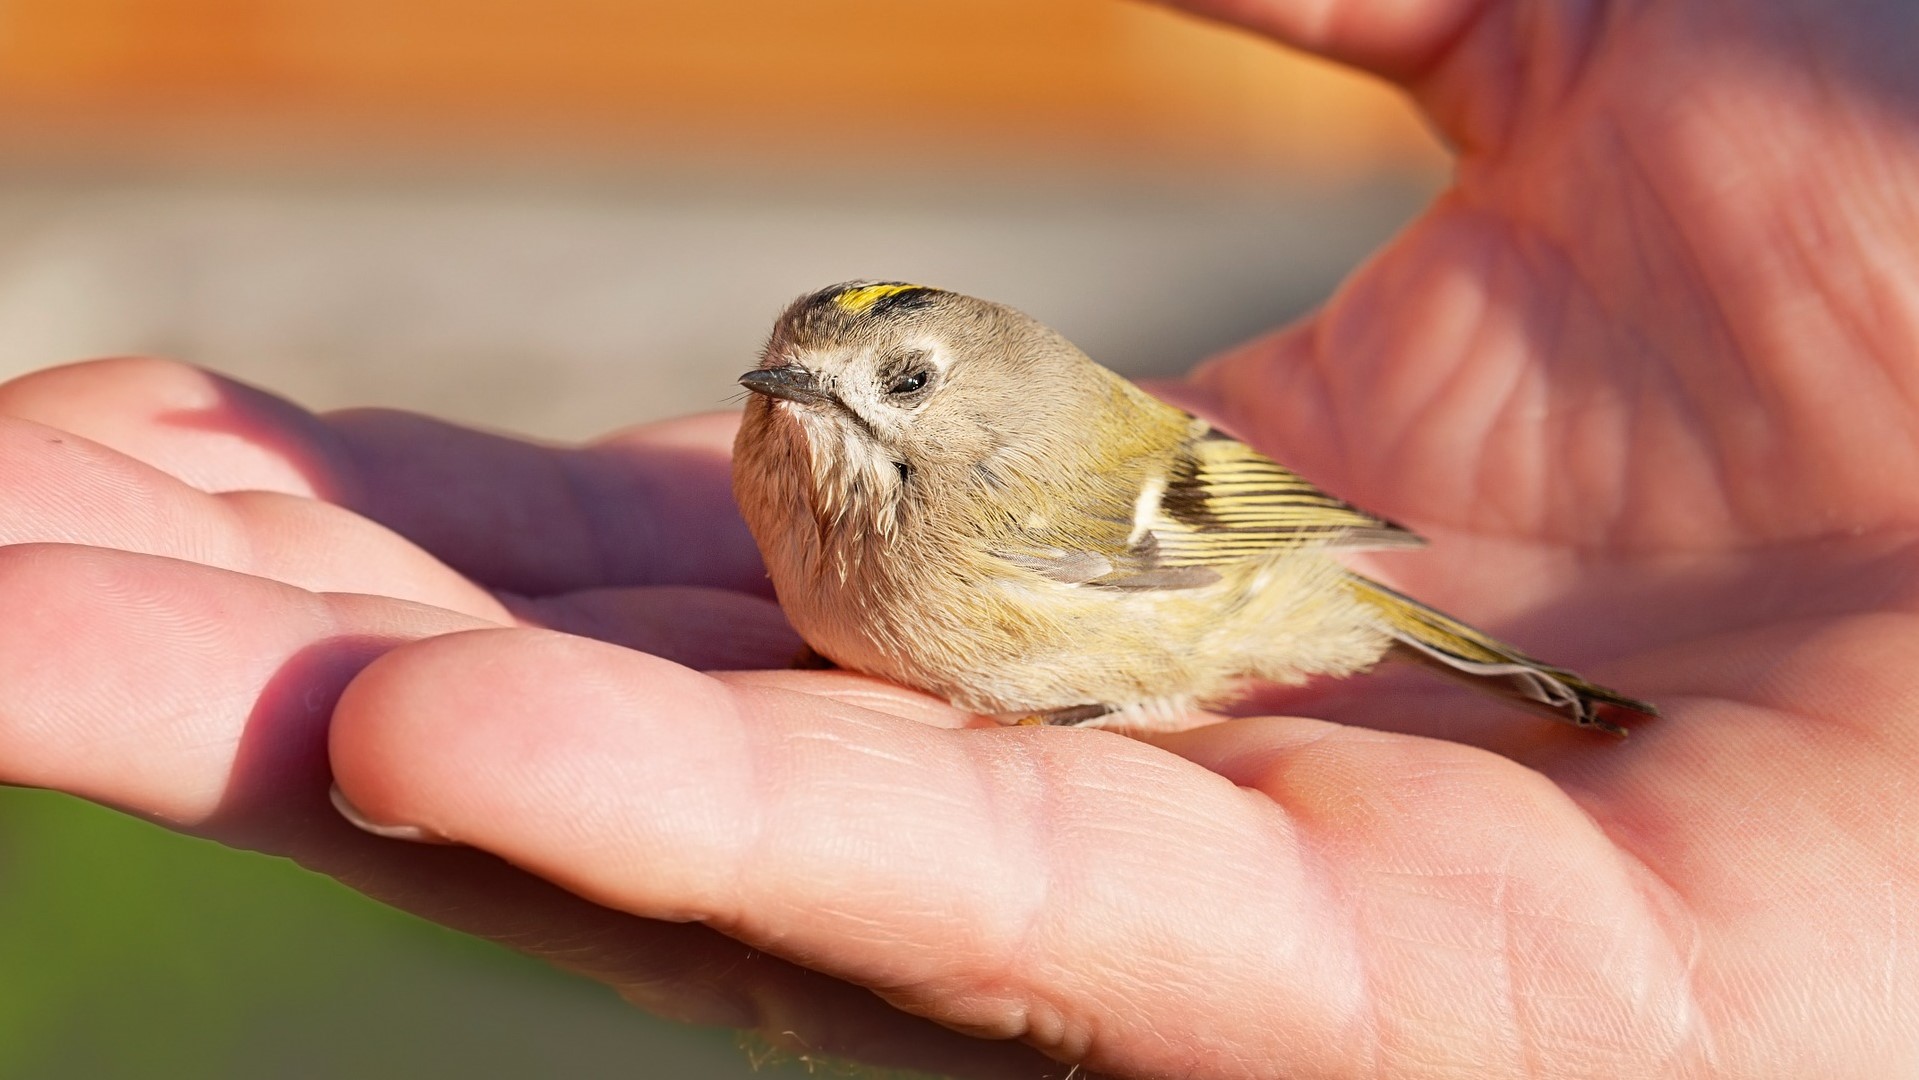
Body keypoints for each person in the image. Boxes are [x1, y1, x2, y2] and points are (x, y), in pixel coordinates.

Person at [2, 0, 1914, 1075]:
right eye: (795, 375)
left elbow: (1233, 519)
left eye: (886, 387)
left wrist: (1104, 691)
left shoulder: (1015, 494)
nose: (808, 407)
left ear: (966, 402)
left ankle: (1521, 686)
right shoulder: (795, 459)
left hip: (1224, 561)